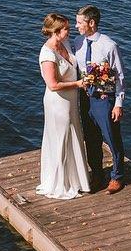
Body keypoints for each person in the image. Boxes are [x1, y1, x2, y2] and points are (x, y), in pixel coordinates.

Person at [36, 13, 90, 199]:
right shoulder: (47, 54)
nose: (70, 30)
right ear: (56, 31)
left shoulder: (65, 44)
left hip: (71, 101)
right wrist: (78, 84)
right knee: (62, 138)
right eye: (66, 28)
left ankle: (77, 180)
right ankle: (61, 182)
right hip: (57, 102)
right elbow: (53, 85)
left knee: (74, 135)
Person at [74, 5, 126, 194]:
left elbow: (119, 76)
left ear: (91, 23)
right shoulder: (78, 42)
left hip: (104, 99)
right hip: (85, 98)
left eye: (79, 22)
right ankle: (97, 174)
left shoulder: (109, 45)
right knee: (91, 138)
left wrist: (118, 104)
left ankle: (117, 176)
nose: (76, 26)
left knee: (112, 138)